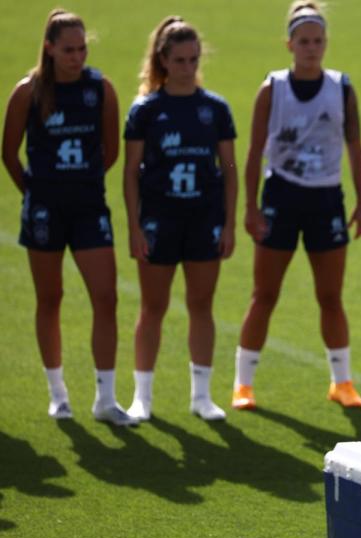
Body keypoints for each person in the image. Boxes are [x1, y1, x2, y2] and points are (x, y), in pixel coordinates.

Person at [232, 0, 361, 410]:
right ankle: (243, 384)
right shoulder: (272, 88)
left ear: (325, 43)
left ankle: (342, 381)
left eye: (318, 41)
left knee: (330, 295)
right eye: (304, 41)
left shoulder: (341, 88)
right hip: (282, 195)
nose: (312, 48)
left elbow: (356, 147)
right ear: (289, 44)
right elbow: (255, 150)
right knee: (265, 293)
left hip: (326, 197)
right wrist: (251, 207)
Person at [2, 9, 127, 424]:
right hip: (44, 211)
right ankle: (58, 393)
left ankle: (105, 399)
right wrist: (36, 192)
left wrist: (79, 182)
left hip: (89, 207)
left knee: (106, 298)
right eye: (69, 50)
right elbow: (9, 152)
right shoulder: (29, 91)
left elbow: (111, 150)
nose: (77, 57)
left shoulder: (100, 89)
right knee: (49, 298)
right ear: (50, 49)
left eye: (82, 49)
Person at [123, 16, 238, 422]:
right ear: (164, 60)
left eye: (194, 59)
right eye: (181, 60)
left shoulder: (215, 109)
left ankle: (201, 396)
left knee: (201, 304)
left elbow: (228, 167)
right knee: (152, 306)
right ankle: (143, 397)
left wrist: (228, 223)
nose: (188, 67)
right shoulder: (146, 111)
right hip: (159, 221)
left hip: (204, 218)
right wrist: (134, 227)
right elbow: (130, 173)